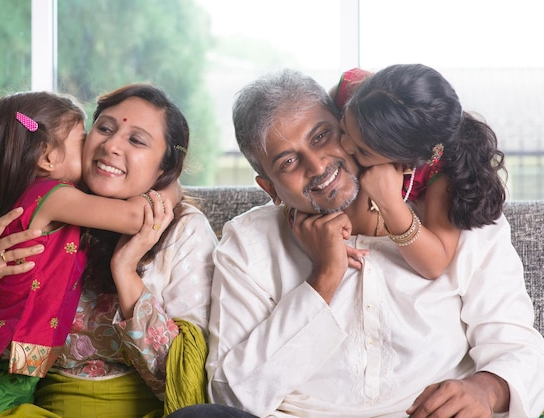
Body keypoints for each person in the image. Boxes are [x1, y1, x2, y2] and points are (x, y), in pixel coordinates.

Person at [172, 69, 544, 417]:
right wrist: (324, 278)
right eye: (288, 161)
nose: (317, 166)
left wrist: (487, 388)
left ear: (351, 129)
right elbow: (231, 395)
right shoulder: (249, 241)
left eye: (321, 136)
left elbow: (518, 348)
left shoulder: (456, 209)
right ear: (270, 189)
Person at [0, 84, 218, 418]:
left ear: (164, 166)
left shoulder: (185, 230)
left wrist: (125, 271)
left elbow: (185, 380)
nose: (112, 145)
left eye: (137, 140)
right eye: (104, 129)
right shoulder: (57, 211)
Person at [338, 63, 507, 280]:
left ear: (410, 158)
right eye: (343, 126)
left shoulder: (440, 172)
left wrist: (390, 203)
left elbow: (434, 264)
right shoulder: (353, 92)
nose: (344, 146)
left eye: (363, 151)